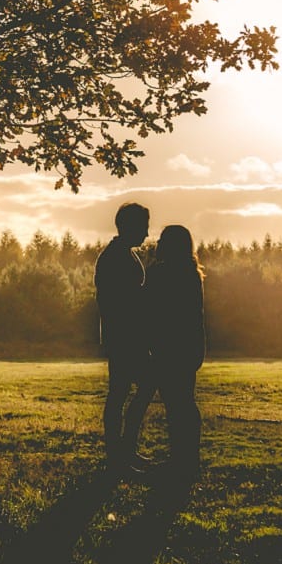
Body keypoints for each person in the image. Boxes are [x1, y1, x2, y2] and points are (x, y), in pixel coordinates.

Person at [95, 201, 155, 472]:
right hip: (125, 336)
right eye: (143, 226)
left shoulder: (120, 254)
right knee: (129, 390)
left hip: (123, 336)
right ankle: (121, 452)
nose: (146, 232)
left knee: (122, 392)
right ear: (130, 227)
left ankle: (120, 452)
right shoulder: (117, 258)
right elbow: (122, 301)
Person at [145, 224, 205, 481]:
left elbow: (149, 309)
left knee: (175, 405)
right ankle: (187, 459)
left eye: (161, 240)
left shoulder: (160, 273)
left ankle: (180, 460)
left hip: (167, 347)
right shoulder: (192, 274)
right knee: (185, 403)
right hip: (189, 346)